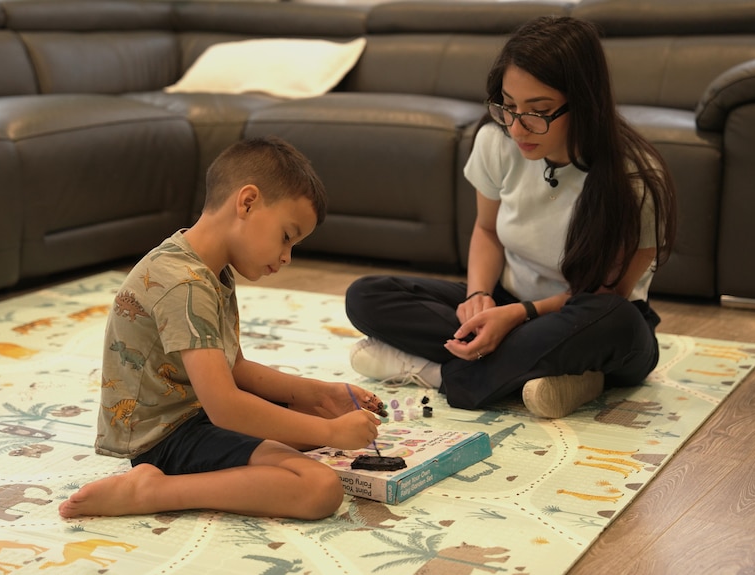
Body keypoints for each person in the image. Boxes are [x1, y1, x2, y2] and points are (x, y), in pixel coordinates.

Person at [345, 16, 677, 418]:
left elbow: (608, 296)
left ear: (585, 102)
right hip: (509, 303)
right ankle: (546, 374)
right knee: (367, 295)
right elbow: (486, 230)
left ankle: (439, 373)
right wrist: (478, 296)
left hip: (586, 321)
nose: (518, 128)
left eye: (539, 111)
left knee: (616, 321)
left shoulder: (633, 179)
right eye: (508, 106)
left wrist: (519, 316)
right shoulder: (496, 140)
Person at [59, 137, 384, 521]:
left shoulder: (210, 271)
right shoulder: (185, 284)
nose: (286, 257)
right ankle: (152, 491)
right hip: (166, 440)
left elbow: (236, 369)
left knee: (322, 413)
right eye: (286, 236)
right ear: (247, 203)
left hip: (197, 415)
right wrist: (330, 435)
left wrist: (322, 394)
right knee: (319, 488)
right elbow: (226, 407)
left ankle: (299, 429)